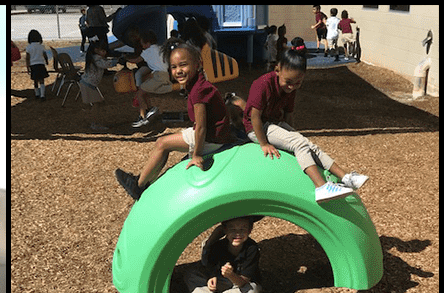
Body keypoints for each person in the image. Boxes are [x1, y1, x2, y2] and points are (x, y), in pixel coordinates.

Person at [116, 38, 243, 200]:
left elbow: (202, 127)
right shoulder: (197, 84)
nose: (178, 71)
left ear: (197, 64)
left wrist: (196, 155)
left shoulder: (199, 91)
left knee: (162, 143)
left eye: (183, 65)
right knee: (167, 142)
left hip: (211, 138)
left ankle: (138, 185)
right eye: (174, 67)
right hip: (213, 133)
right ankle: (146, 181)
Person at [234, 49, 369, 202]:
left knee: (308, 144)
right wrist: (264, 143)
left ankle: (345, 177)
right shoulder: (262, 84)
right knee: (299, 144)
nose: (292, 87)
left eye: (298, 83)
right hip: (258, 128)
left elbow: (288, 114)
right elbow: (254, 116)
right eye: (289, 82)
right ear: (277, 70)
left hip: (274, 124)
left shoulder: (290, 87)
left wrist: (291, 135)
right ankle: (321, 187)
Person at [181, 216, 263, 293]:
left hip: (238, 286)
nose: (237, 233)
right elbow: (208, 265)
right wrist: (212, 277)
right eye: (232, 229)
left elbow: (243, 282)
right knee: (191, 274)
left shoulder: (251, 248)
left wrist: (231, 275)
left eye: (242, 229)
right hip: (222, 283)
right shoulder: (219, 246)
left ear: (249, 230)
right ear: (225, 231)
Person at [128, 30, 181, 128]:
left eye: (142, 44)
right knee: (150, 91)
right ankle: (148, 111)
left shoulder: (147, 51)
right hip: (165, 75)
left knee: (140, 92)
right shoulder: (160, 48)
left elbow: (136, 60)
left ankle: (142, 116)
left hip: (158, 76)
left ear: (147, 43)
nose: (142, 46)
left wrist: (125, 58)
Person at [24, 30, 53, 101]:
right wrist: (46, 61)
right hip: (40, 64)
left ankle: (37, 94)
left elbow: (27, 58)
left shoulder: (28, 47)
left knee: (35, 80)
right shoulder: (41, 46)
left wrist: (28, 66)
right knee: (41, 80)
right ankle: (42, 95)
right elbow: (44, 55)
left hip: (33, 65)